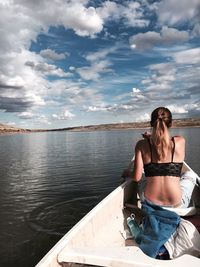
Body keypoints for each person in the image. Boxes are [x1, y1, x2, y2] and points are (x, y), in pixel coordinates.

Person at [122, 107, 199, 208]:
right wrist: (151, 137)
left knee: (142, 177)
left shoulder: (141, 145)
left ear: (151, 124)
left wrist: (128, 173)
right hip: (176, 205)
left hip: (149, 203)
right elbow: (164, 141)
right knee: (190, 174)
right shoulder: (180, 141)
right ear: (170, 124)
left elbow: (136, 178)